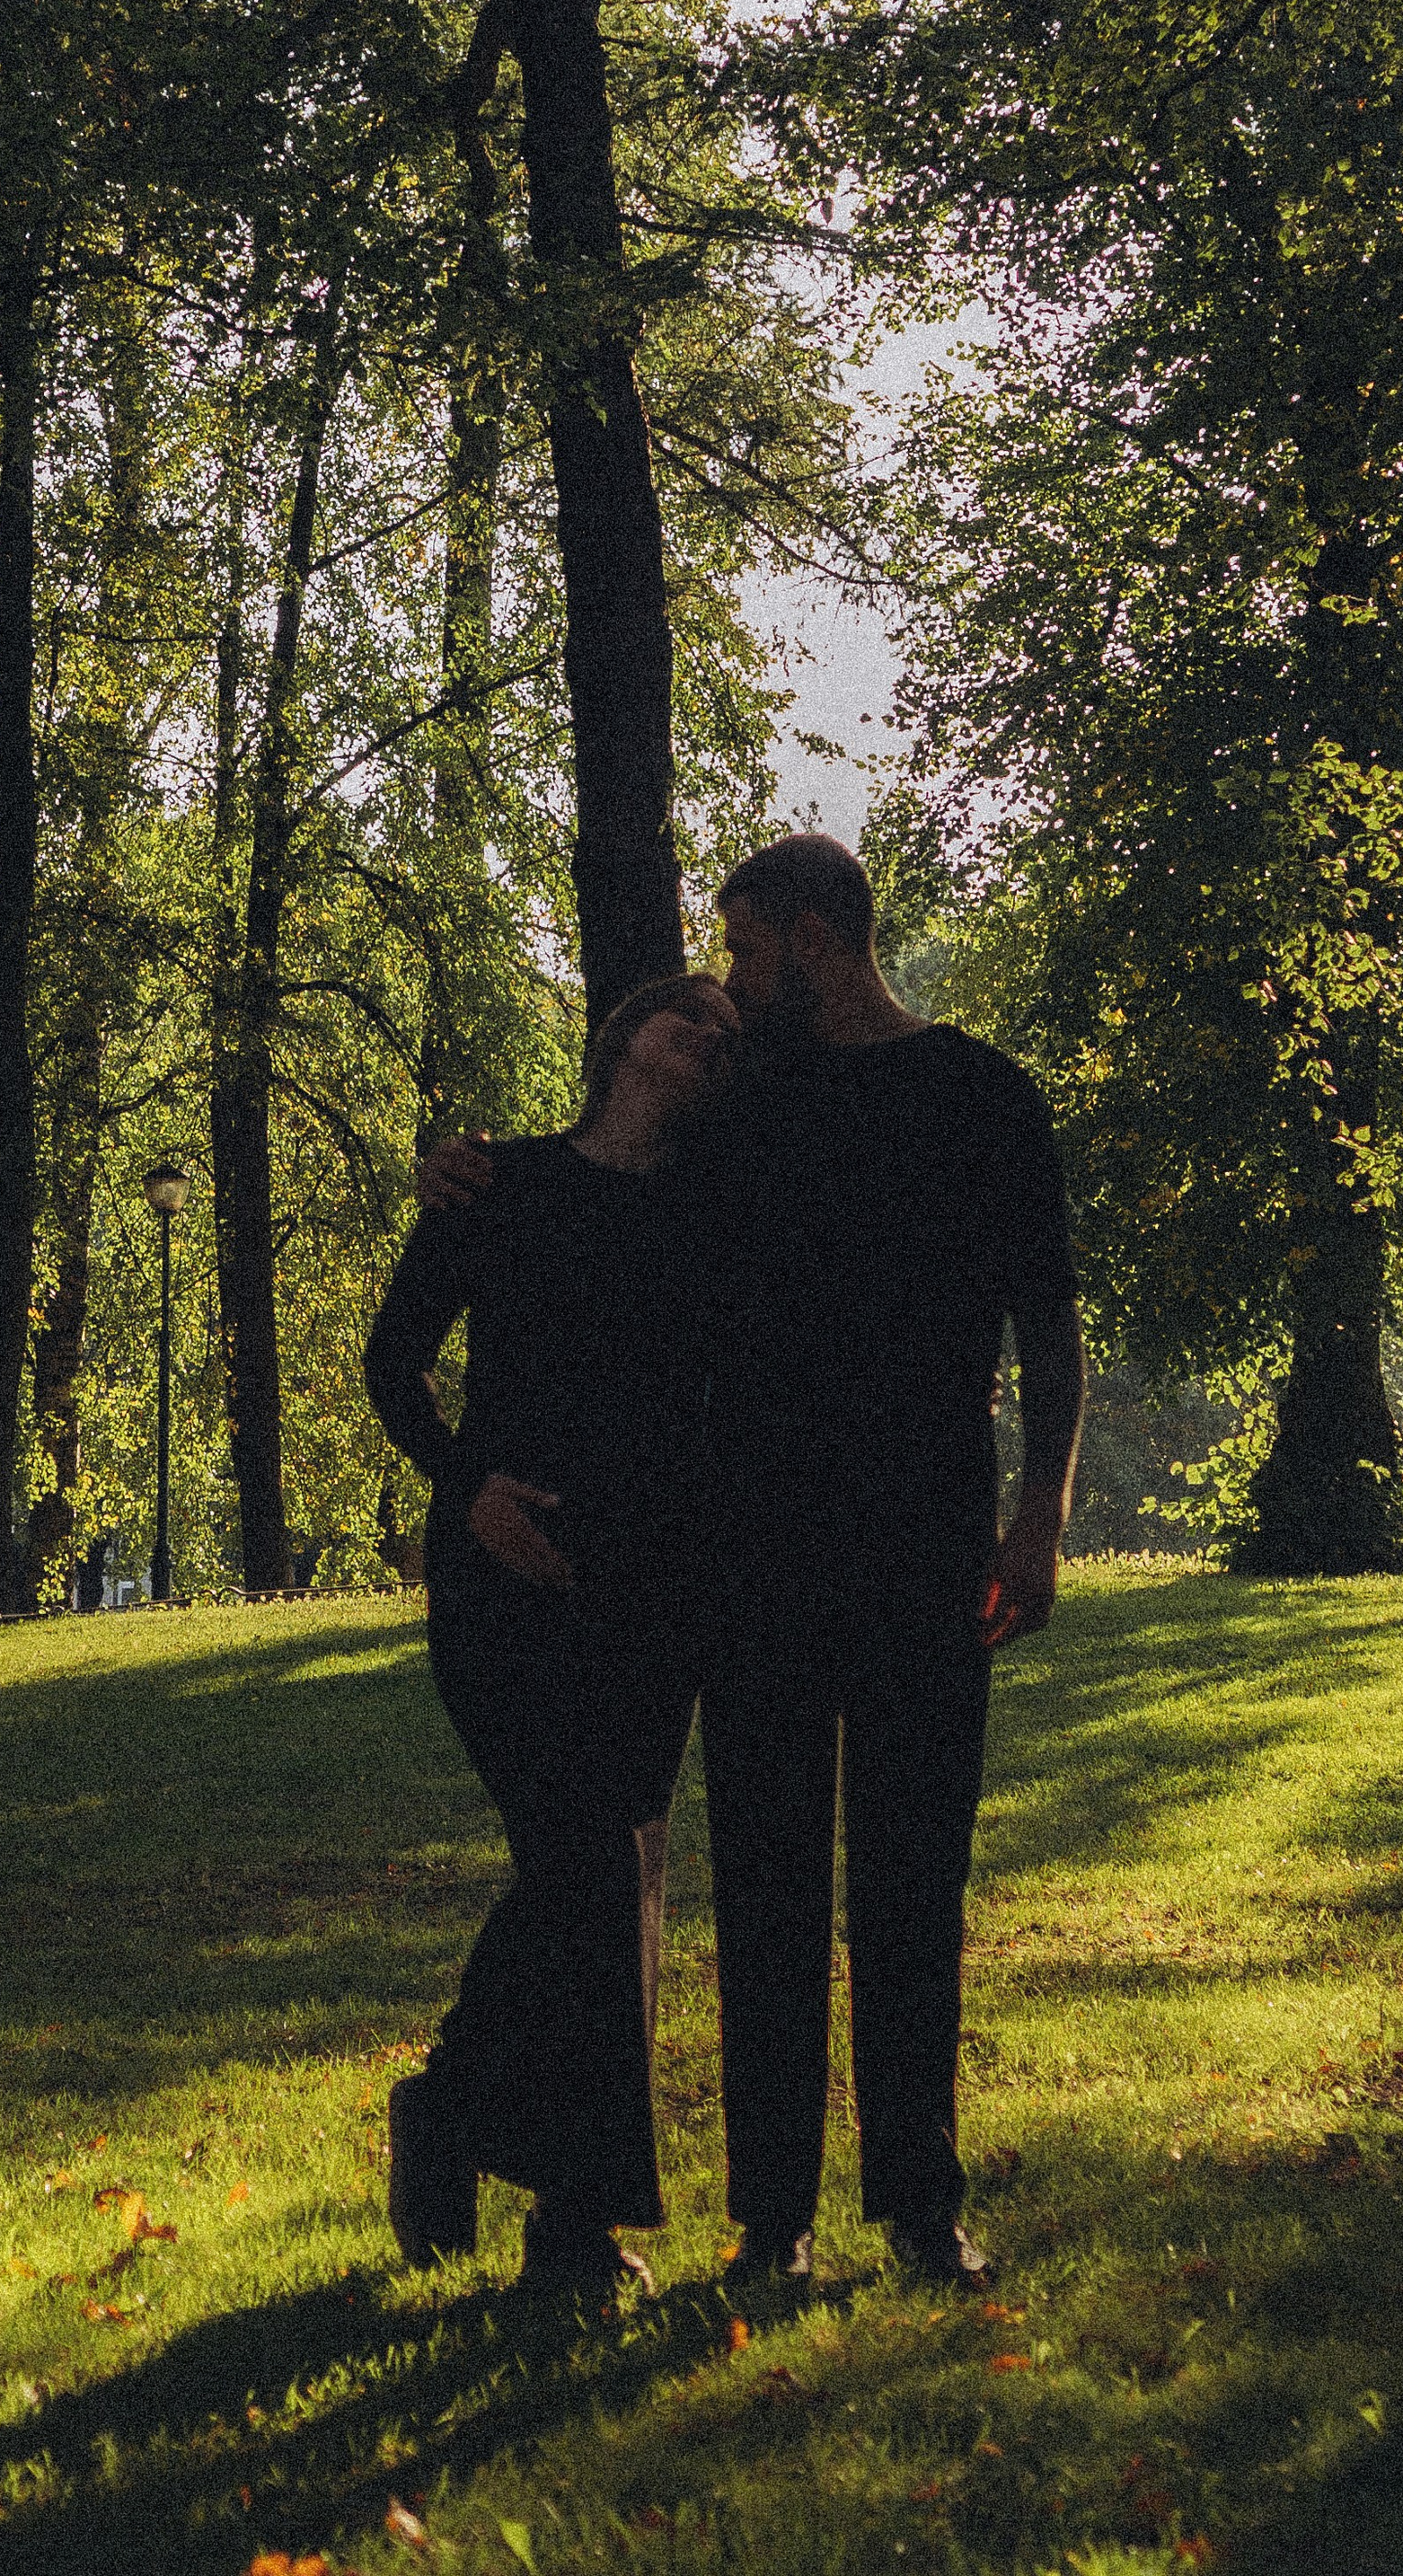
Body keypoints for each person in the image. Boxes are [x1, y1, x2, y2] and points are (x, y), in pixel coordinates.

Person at [419, 832, 1084, 2290]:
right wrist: (467, 1174)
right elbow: (607, 1182)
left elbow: (1051, 1326)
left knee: (915, 1883)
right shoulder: (743, 1108)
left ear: (813, 936)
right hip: (755, 1564)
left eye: (742, 948)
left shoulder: (978, 1095)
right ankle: (771, 2223)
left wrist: (1038, 1521)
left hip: (924, 1553)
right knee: (773, 1891)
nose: (728, 980)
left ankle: (920, 2204)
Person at [364, 972, 739, 2295]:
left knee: (606, 1882)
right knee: (582, 1868)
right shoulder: (496, 1184)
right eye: (680, 1015)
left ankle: (472, 2122)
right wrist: (467, 1491)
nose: (703, 1036)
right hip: (502, 1577)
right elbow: (390, 1361)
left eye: (722, 1030)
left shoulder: (716, 1212)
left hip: (655, 1587)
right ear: (620, 1039)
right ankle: (571, 2223)